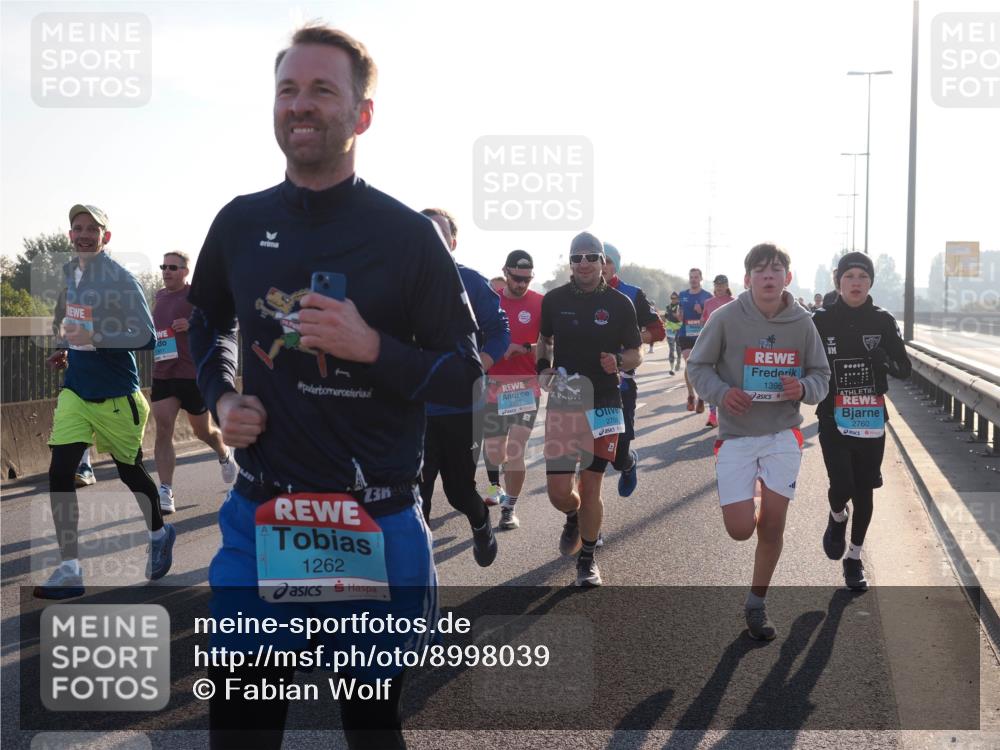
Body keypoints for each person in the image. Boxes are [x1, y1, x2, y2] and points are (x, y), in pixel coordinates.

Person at [187, 25, 484, 750]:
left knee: (370, 727)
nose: (300, 105)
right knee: (240, 732)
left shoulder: (407, 236)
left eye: (323, 90)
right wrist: (223, 396)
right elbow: (207, 322)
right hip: (263, 516)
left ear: (362, 114)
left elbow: (464, 377)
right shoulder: (239, 220)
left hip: (372, 521)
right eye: (288, 89)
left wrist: (372, 347)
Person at [688, 243, 829, 640]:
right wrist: (720, 393)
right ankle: (746, 494)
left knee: (773, 525)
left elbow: (821, 377)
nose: (769, 276)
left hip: (782, 435)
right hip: (736, 435)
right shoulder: (726, 317)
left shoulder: (803, 323)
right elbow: (697, 366)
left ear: (788, 276)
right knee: (739, 530)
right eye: (761, 270)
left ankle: (756, 602)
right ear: (747, 279)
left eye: (777, 269)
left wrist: (801, 386)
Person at [36, 204, 174, 600]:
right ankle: (70, 568)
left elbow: (147, 337)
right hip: (77, 391)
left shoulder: (121, 279)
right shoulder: (71, 274)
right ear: (70, 236)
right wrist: (64, 347)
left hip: (117, 396)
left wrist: (95, 338)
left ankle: (159, 534)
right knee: (60, 472)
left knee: (131, 474)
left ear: (105, 237)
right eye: (77, 228)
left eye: (91, 229)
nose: (83, 235)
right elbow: (70, 318)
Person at [537, 232, 642, 587]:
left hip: (605, 402)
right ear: (570, 263)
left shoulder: (620, 303)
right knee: (558, 491)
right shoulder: (553, 300)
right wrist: (542, 367)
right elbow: (545, 340)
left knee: (592, 484)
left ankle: (588, 559)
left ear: (602, 263)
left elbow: (636, 353)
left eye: (591, 257)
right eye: (577, 257)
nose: (584, 263)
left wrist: (618, 360)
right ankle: (572, 515)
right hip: (565, 400)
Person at [812, 252, 911, 591]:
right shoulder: (820, 320)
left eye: (862, 276)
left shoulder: (882, 321)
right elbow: (806, 363)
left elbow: (905, 369)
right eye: (849, 276)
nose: (856, 282)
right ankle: (837, 515)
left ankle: (854, 559)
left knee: (865, 489)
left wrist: (882, 357)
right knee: (841, 485)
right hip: (832, 416)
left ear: (870, 282)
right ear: (838, 281)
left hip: (870, 417)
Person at [418, 208, 510, 564]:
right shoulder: (399, 281)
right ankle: (418, 582)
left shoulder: (471, 282)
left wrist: (480, 366)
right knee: (416, 496)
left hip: (461, 409)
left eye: (437, 233)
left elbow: (500, 330)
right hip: (417, 409)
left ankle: (480, 521)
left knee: (458, 492)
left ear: (453, 242)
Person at [151, 250, 237, 513]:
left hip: (192, 374)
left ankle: (223, 453)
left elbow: (221, 324)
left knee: (203, 431)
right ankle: (166, 490)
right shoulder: (159, 296)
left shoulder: (196, 296)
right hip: (164, 371)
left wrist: (191, 324)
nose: (167, 271)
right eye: (164, 266)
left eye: (173, 267)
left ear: (185, 272)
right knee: (163, 429)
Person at [482, 249, 543, 531]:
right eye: (517, 278)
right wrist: (496, 349)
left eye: (526, 279)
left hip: (525, 388)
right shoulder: (490, 302)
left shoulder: (541, 303)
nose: (521, 284)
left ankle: (509, 507)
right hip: (494, 387)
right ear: (505, 272)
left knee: (516, 450)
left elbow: (550, 340)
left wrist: (527, 349)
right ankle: (498, 486)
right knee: (496, 451)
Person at [601, 242, 666, 496]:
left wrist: (633, 340)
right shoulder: (578, 294)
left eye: (606, 260)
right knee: (584, 459)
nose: (601, 265)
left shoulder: (631, 293)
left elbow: (658, 330)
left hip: (622, 380)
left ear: (615, 265)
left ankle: (628, 463)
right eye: (597, 259)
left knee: (618, 455)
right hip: (586, 384)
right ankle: (582, 525)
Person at [48, 288, 97, 487]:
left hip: (107, 376)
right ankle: (85, 466)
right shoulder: (65, 300)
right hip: (76, 376)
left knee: (129, 465)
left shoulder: (105, 297)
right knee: (77, 418)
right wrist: (64, 352)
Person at [700, 274, 735, 428]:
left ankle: (729, 413)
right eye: (717, 285)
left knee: (729, 380)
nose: (719, 287)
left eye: (722, 285)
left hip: (731, 347)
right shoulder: (708, 303)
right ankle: (713, 414)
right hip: (713, 347)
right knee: (712, 381)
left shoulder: (735, 303)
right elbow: (703, 325)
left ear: (727, 286)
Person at [678, 268, 713, 413]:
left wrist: (701, 312)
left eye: (696, 277)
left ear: (701, 278)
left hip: (701, 335)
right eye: (691, 277)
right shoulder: (683, 295)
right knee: (689, 362)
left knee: (701, 366)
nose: (693, 279)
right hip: (686, 334)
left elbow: (711, 317)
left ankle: (702, 397)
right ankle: (691, 395)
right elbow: (680, 315)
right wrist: (679, 315)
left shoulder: (707, 296)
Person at [663, 291, 682, 375]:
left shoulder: (680, 307)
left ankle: (678, 361)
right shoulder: (668, 307)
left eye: (674, 298)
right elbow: (666, 317)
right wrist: (665, 318)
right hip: (670, 330)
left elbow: (681, 318)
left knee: (678, 348)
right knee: (671, 349)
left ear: (678, 298)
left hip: (678, 329)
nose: (673, 300)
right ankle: (672, 369)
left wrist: (677, 316)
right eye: (671, 298)